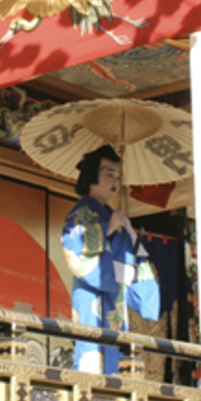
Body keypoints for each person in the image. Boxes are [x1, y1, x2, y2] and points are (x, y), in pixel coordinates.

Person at [60, 144, 159, 374]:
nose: (115, 180)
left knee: (117, 356)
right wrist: (108, 228)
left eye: (117, 175)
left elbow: (133, 264)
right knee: (92, 353)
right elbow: (78, 252)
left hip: (116, 299)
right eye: (108, 173)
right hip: (91, 295)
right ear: (91, 176)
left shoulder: (115, 216)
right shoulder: (81, 212)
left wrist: (129, 233)